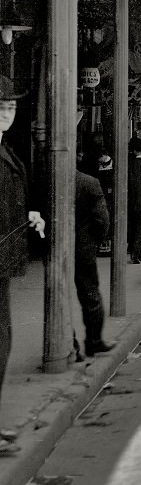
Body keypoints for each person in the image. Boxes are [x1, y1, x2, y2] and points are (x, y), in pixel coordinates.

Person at [0, 81, 45, 409]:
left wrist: (28, 215)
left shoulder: (6, 148)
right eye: (0, 107)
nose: (6, 113)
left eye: (11, 107)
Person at [75, 165, 112, 356]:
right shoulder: (89, 182)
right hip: (84, 247)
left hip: (56, 249)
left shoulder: (45, 180)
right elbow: (102, 219)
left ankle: (70, 345)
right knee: (90, 295)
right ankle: (94, 340)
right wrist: (94, 241)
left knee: (60, 293)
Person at [126, 135, 141, 265]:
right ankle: (137, 253)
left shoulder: (130, 164)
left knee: (135, 227)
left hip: (132, 201)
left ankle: (135, 251)